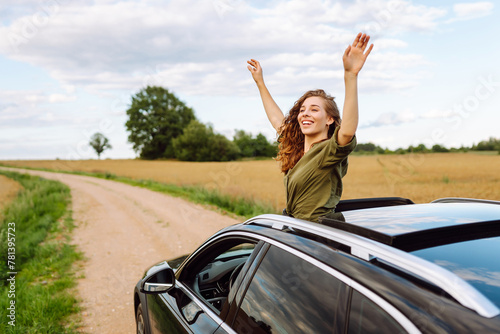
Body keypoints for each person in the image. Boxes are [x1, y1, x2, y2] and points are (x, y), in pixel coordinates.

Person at [247, 32, 373, 222]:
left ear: (329, 119)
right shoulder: (298, 151)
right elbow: (278, 121)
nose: (305, 113)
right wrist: (260, 83)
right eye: (303, 110)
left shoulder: (328, 151)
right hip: (297, 231)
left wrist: (350, 76)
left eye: (314, 110)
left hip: (317, 235)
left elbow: (347, 130)